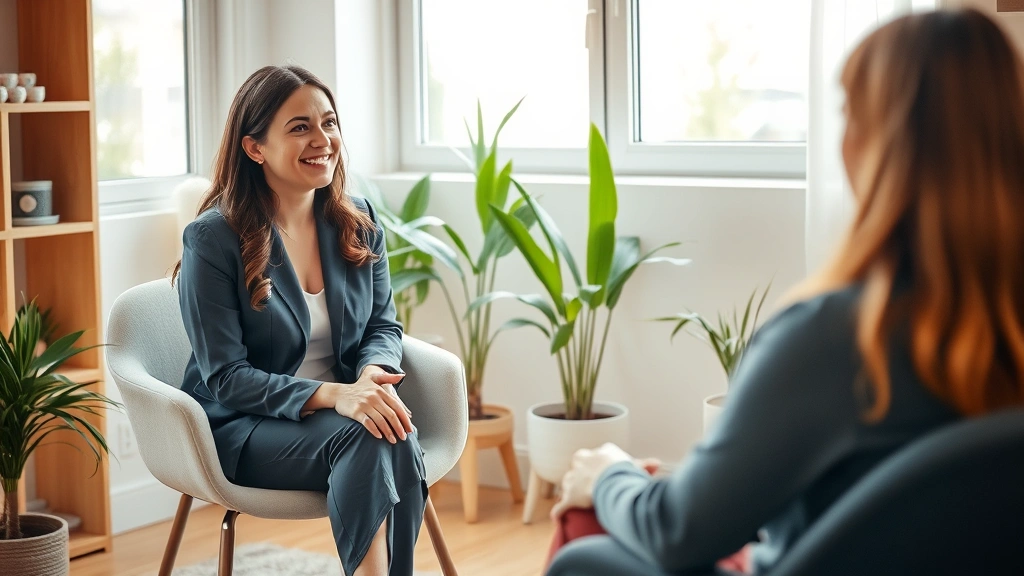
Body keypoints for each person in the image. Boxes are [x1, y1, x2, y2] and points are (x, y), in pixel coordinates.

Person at [547, 8, 1024, 575]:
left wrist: (609, 475)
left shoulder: (839, 338)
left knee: (585, 548)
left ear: (877, 147)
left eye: (849, 115)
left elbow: (679, 531)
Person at [172, 65, 425, 576]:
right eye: (299, 127)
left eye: (328, 123)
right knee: (376, 433)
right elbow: (225, 377)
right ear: (255, 148)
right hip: (245, 425)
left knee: (385, 430)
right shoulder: (213, 238)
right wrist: (337, 395)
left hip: (345, 415)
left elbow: (382, 325)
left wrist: (371, 376)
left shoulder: (357, 219)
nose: (322, 140)